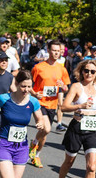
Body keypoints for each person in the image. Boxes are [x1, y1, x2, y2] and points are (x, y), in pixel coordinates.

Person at [54, 59, 96, 178]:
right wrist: (79, 106)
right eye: (86, 70)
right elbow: (64, 107)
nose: (88, 74)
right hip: (76, 128)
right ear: (81, 71)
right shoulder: (77, 87)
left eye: (92, 71)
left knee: (92, 166)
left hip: (92, 130)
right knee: (69, 162)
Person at [28, 40, 70, 168]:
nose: (56, 53)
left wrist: (63, 86)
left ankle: (37, 155)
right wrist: (35, 94)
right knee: (46, 129)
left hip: (52, 104)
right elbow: (28, 85)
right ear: (48, 50)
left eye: (58, 51)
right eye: (54, 50)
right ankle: (34, 143)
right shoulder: (38, 67)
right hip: (40, 103)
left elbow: (66, 88)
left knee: (45, 134)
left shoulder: (62, 69)